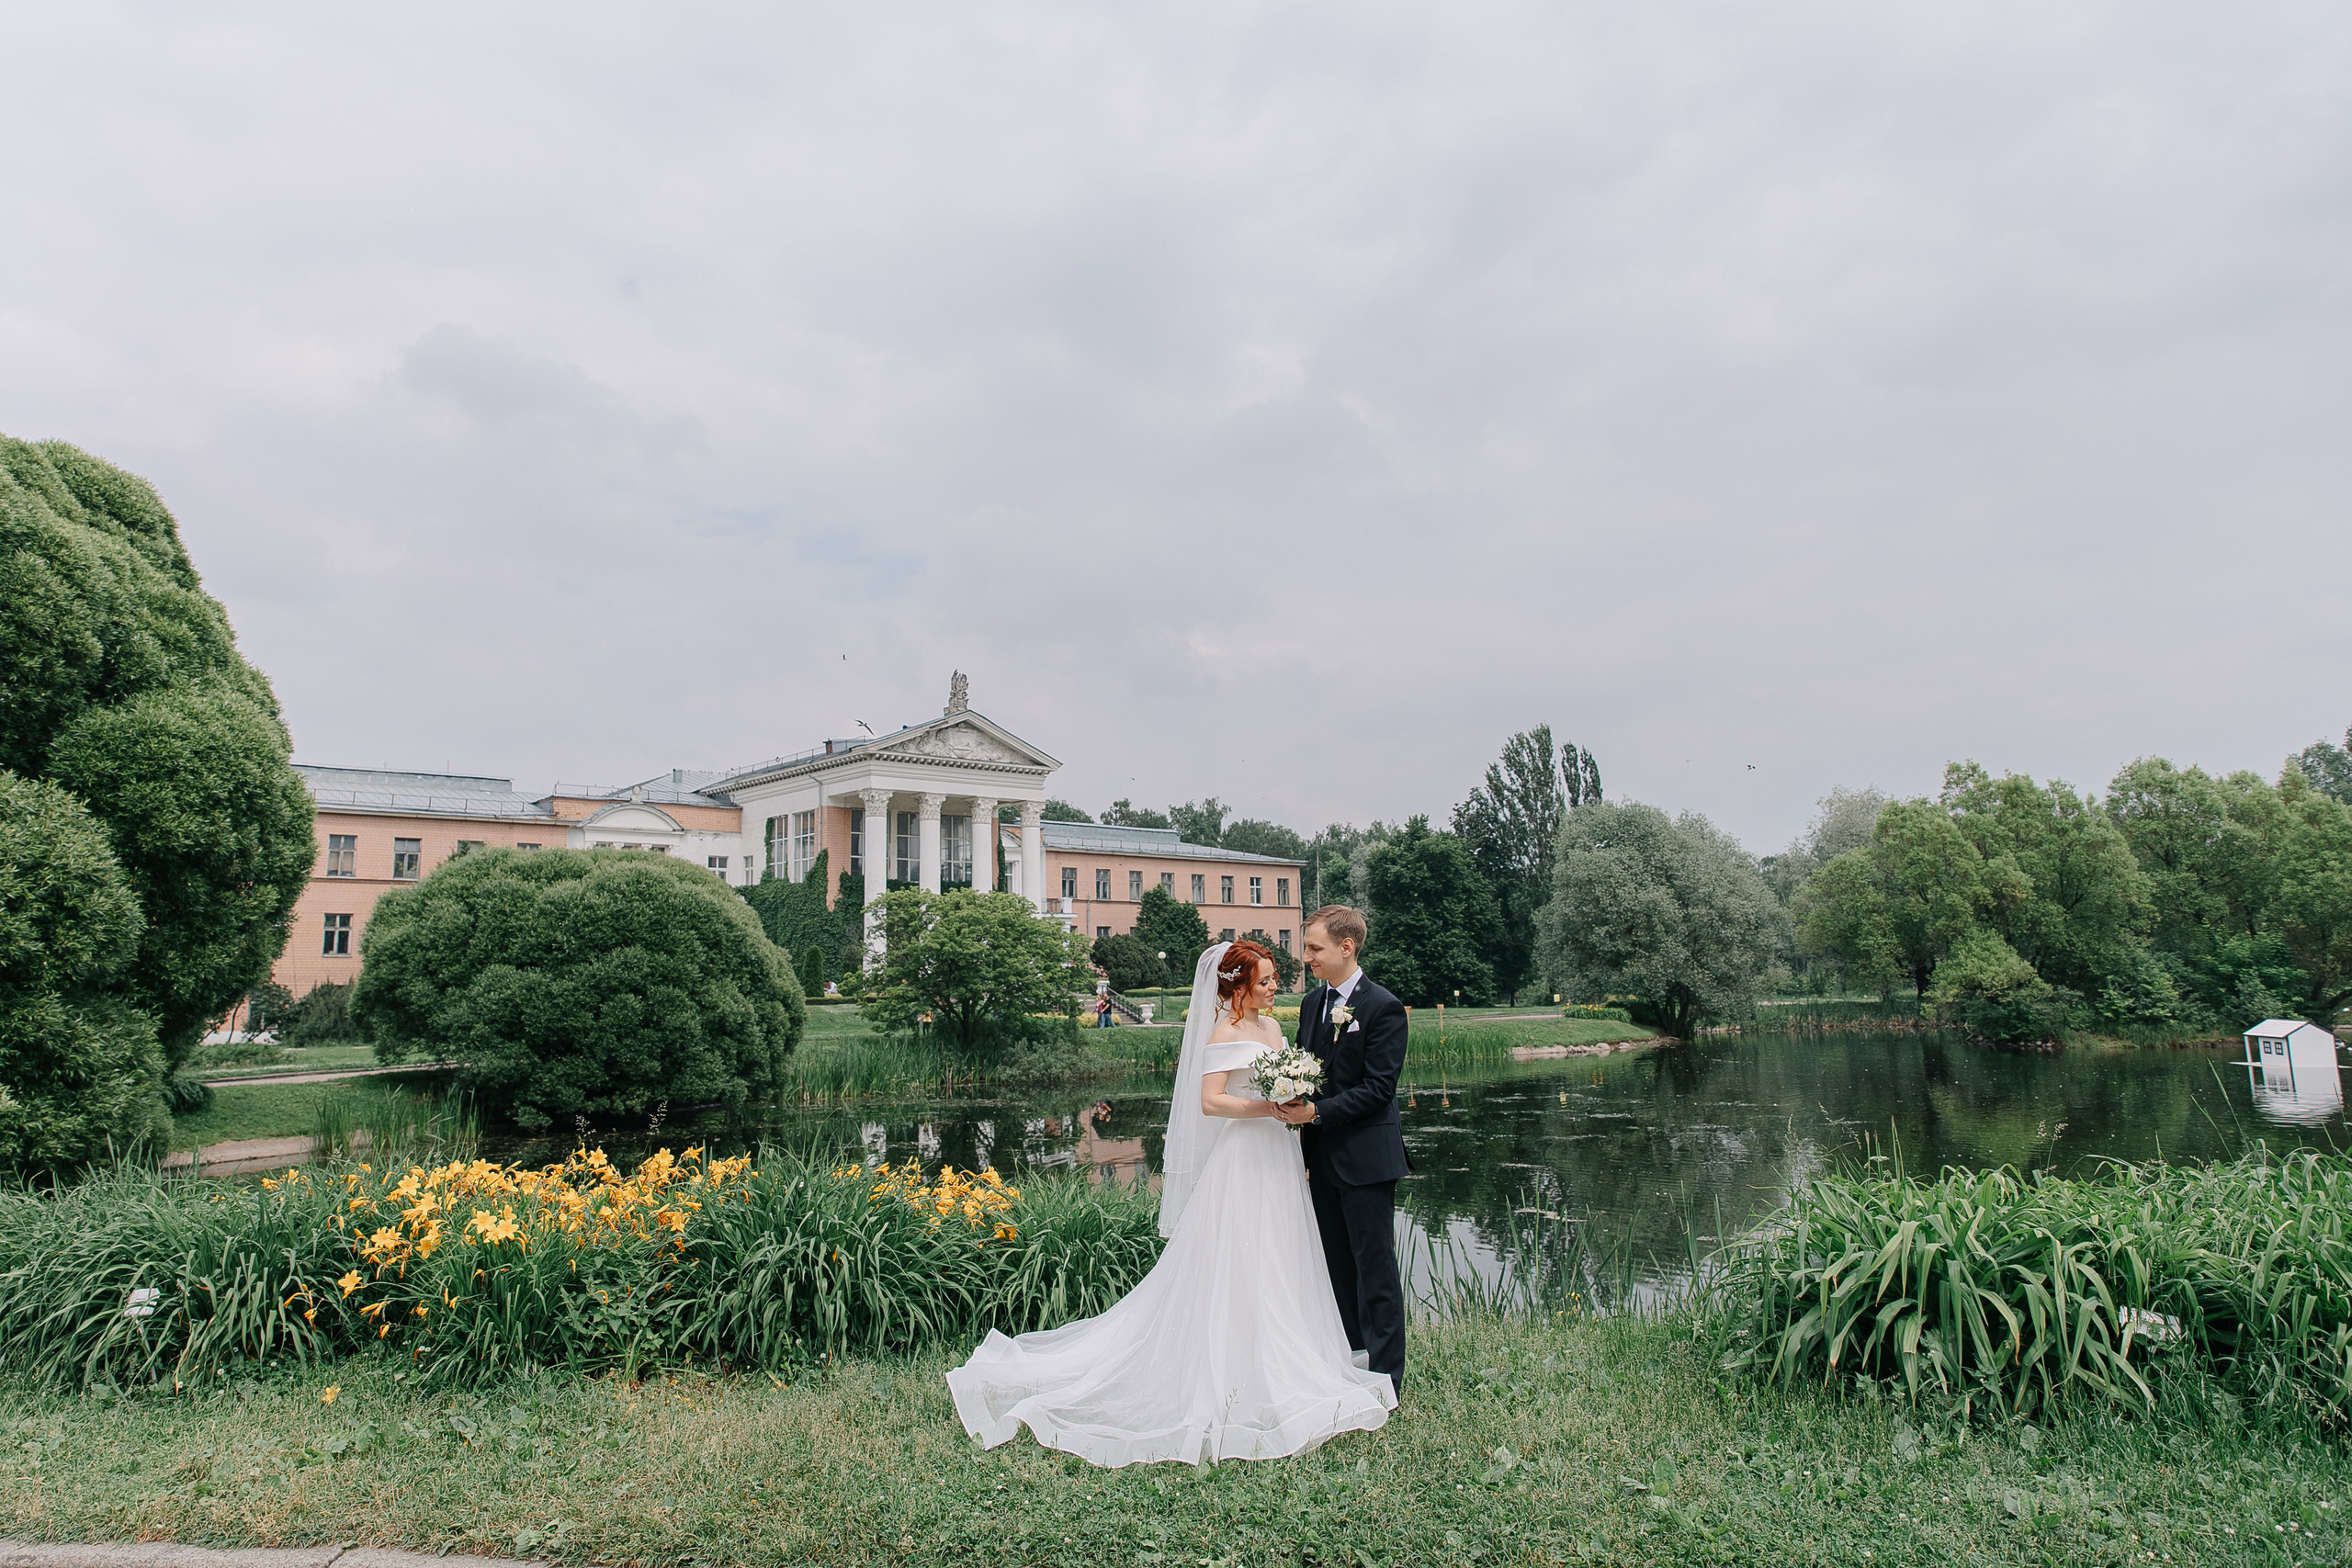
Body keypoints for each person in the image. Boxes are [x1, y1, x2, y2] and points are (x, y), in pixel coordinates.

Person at [944, 940, 1395, 1466]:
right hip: (1244, 1155)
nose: (1276, 987)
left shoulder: (1275, 1030)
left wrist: (1293, 1102)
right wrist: (1266, 1108)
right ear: (1239, 987)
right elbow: (1210, 1101)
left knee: (1283, 1252)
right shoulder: (1223, 1033)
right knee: (1242, 1256)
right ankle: (1235, 1373)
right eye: (1266, 980)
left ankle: (1289, 1357)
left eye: (1275, 978)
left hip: (1282, 1156)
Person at [1274, 906, 1409, 1400]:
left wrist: (1316, 1112)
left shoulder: (1383, 1007)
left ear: (1346, 947)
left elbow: (1379, 1089)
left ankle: (1386, 1382)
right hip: (1320, 1158)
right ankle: (1352, 1364)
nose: (1306, 957)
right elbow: (1306, 1067)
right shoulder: (1312, 1004)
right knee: (1335, 1268)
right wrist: (1286, 1094)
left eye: (1314, 948)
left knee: (1375, 1271)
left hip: (1367, 1160)